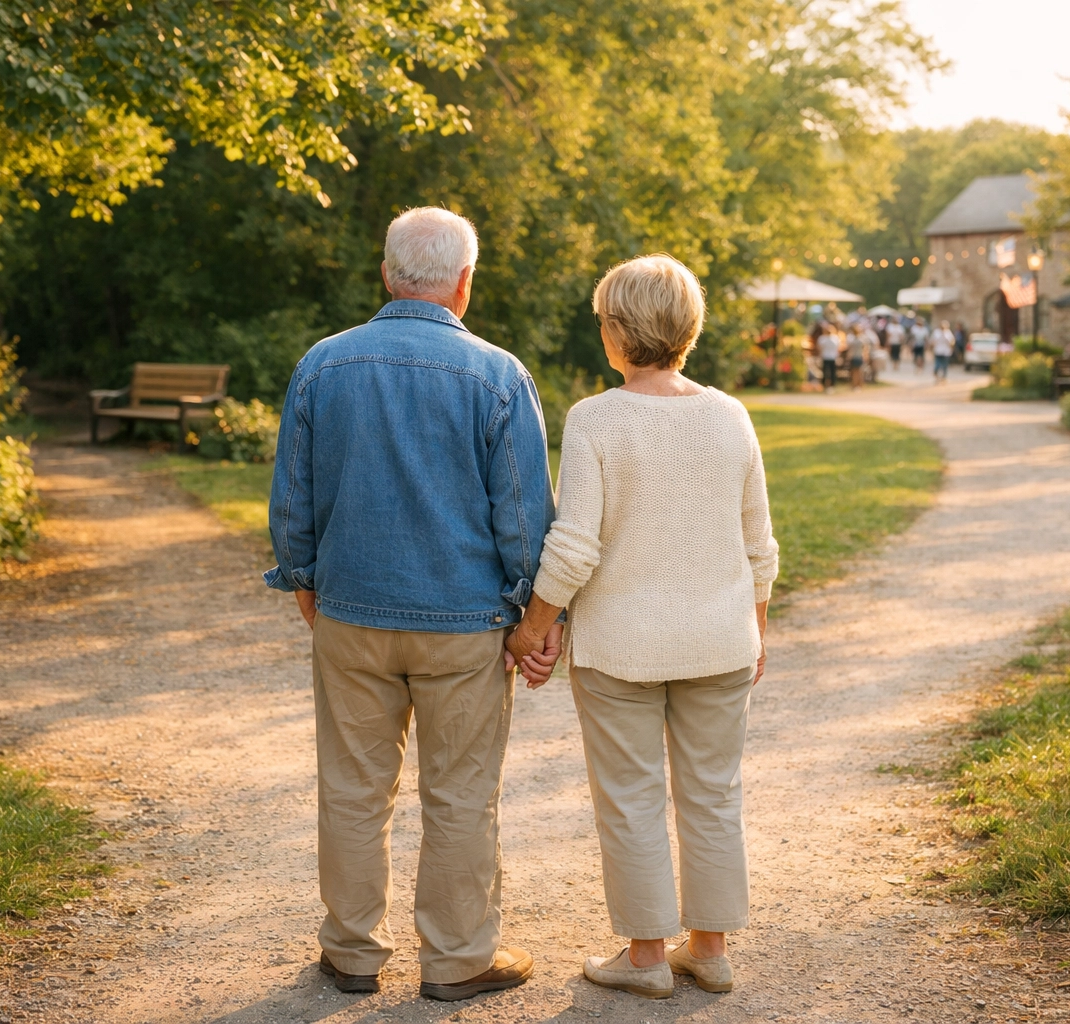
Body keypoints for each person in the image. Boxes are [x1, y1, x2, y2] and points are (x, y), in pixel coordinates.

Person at [265, 207, 560, 1002]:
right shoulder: (499, 375)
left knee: (353, 789)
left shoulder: (322, 366)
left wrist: (305, 586)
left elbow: (292, 501)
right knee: (461, 794)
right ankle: (459, 959)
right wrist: (535, 619)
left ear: (389, 273)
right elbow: (526, 517)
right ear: (464, 282)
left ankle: (352, 952)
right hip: (465, 626)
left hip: (351, 614)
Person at [505, 254, 779, 1001]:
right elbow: (760, 542)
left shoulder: (596, 418)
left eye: (602, 321)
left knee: (630, 796)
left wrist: (536, 627)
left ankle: (647, 956)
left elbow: (573, 545)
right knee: (713, 792)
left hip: (622, 647)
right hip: (722, 640)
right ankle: (711, 950)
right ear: (687, 329)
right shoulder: (731, 415)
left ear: (619, 332)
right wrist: (755, 628)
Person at [817, 323, 840, 392]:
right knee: (825, 372)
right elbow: (819, 348)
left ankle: (832, 385)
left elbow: (837, 348)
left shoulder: (835, 338)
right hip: (825, 357)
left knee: (832, 372)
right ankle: (825, 385)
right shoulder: (822, 338)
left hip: (832, 357)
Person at [849, 321, 871, 390]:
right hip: (857, 356)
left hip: (858, 356)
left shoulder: (858, 339)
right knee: (857, 372)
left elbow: (865, 348)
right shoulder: (859, 338)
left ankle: (857, 385)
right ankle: (857, 385)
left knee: (857, 372)